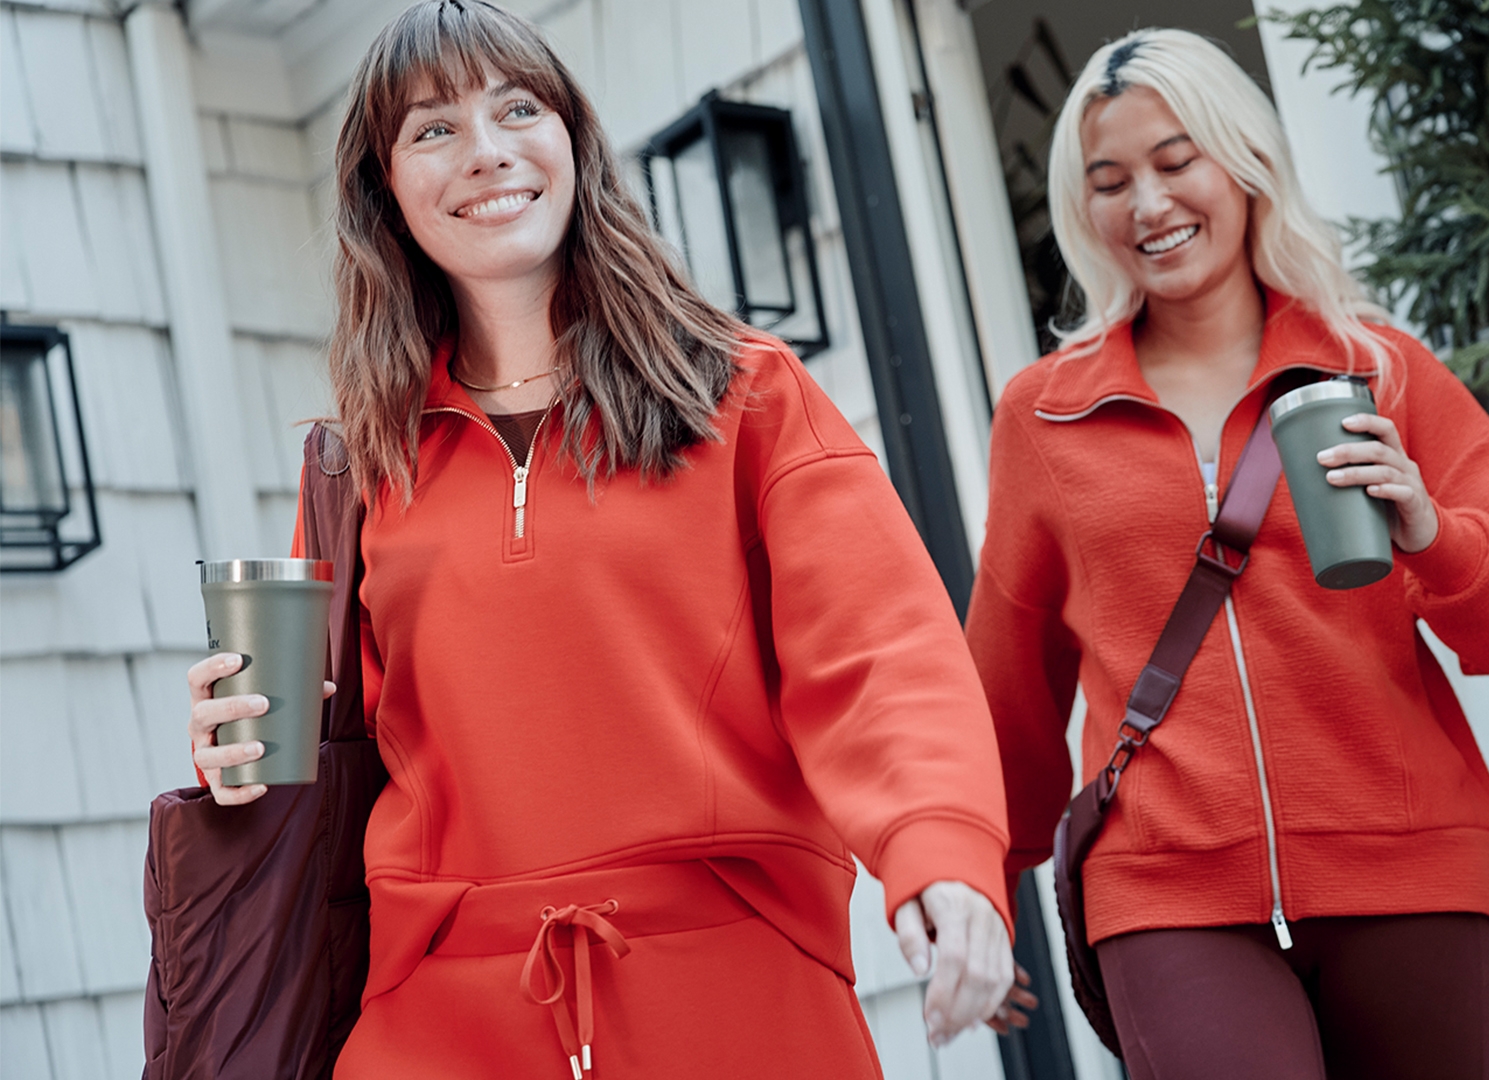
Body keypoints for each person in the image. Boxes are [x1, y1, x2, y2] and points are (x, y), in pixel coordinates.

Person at [183, 2, 1013, 1075]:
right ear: (384, 190)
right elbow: (341, 748)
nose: (485, 153)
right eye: (432, 129)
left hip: (738, 997)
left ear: (572, 140)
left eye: (516, 108)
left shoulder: (745, 394)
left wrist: (939, 850)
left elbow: (881, 654)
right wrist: (235, 754)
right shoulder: (364, 463)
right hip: (443, 1019)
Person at [968, 28, 1489, 1080]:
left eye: (1175, 163)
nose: (1149, 207)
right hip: (1164, 888)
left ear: (1243, 162)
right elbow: (1009, 681)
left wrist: (1429, 531)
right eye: (1110, 182)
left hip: (1402, 867)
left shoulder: (1377, 371)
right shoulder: (1049, 416)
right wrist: (976, 886)